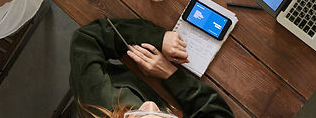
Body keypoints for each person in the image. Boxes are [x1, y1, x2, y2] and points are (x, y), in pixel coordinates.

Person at [70, 18, 234, 118]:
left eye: (137, 116)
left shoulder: (97, 102)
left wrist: (156, 38)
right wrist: (170, 74)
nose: (150, 105)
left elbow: (87, 40)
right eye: (164, 117)